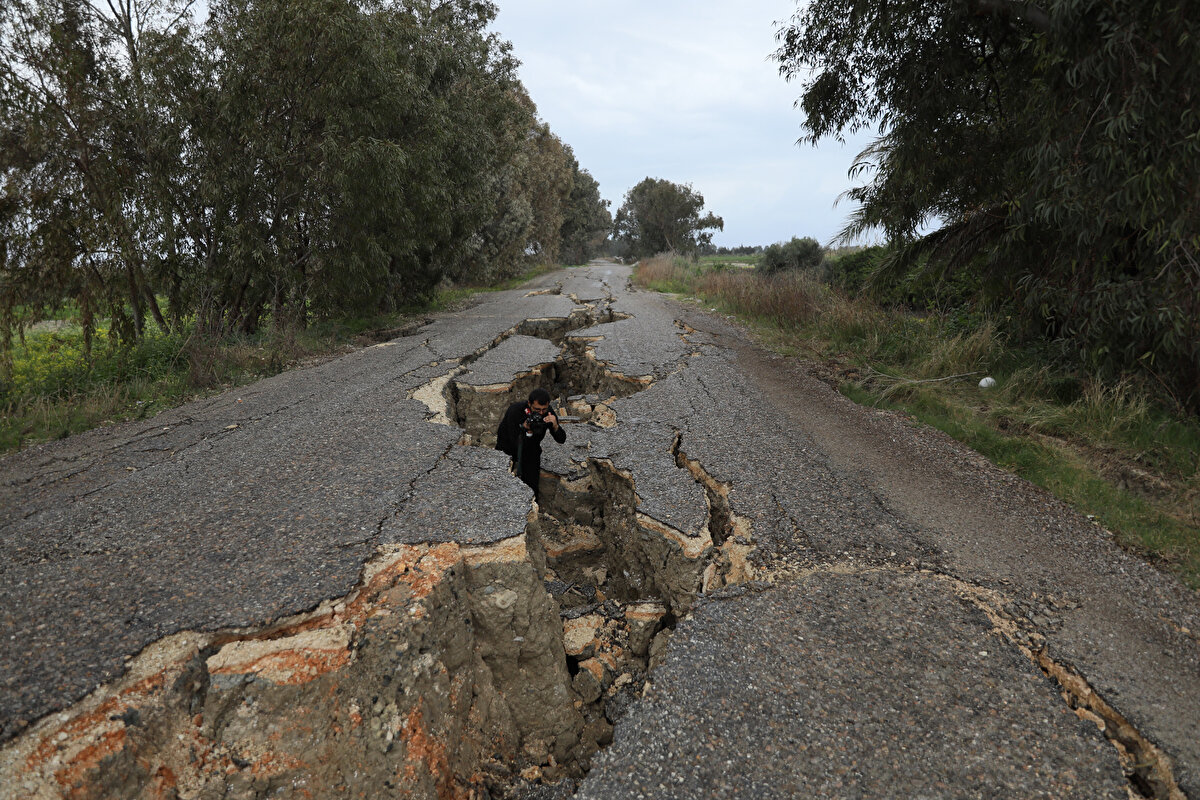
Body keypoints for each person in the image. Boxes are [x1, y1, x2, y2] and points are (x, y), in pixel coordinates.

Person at [495, 388, 566, 498]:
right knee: (500, 482)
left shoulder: (549, 413)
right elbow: (513, 440)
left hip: (531, 448)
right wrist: (524, 428)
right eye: (537, 410)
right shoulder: (515, 411)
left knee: (531, 486)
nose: (541, 413)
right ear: (529, 404)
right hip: (507, 447)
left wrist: (555, 426)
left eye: (544, 409)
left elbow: (561, 439)